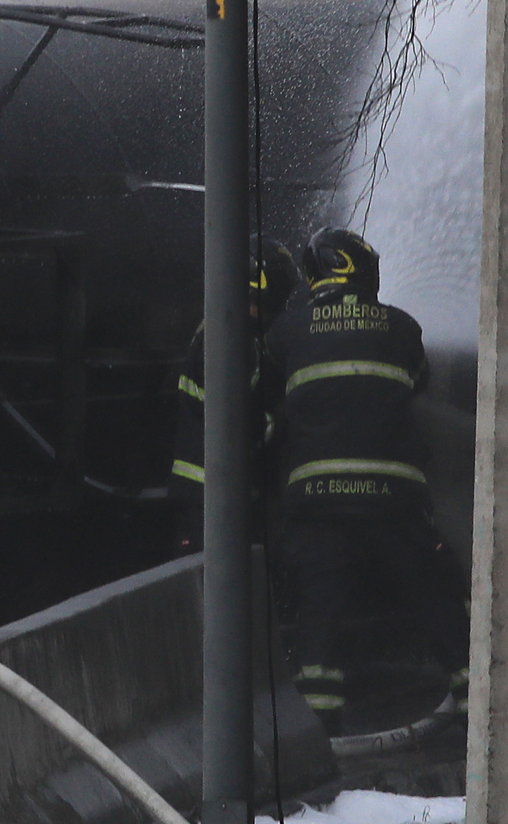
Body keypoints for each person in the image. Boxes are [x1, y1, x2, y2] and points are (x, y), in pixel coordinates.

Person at [267, 228, 459, 732]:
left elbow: (265, 388)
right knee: (433, 590)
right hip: (391, 496)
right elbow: (417, 380)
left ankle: (317, 720)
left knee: (319, 609)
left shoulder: (288, 330)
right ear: (359, 269)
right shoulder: (402, 327)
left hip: (317, 499)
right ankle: (471, 691)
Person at [170, 237, 296, 549]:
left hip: (216, 493)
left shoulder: (229, 328)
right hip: (215, 498)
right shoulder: (232, 337)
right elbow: (239, 416)